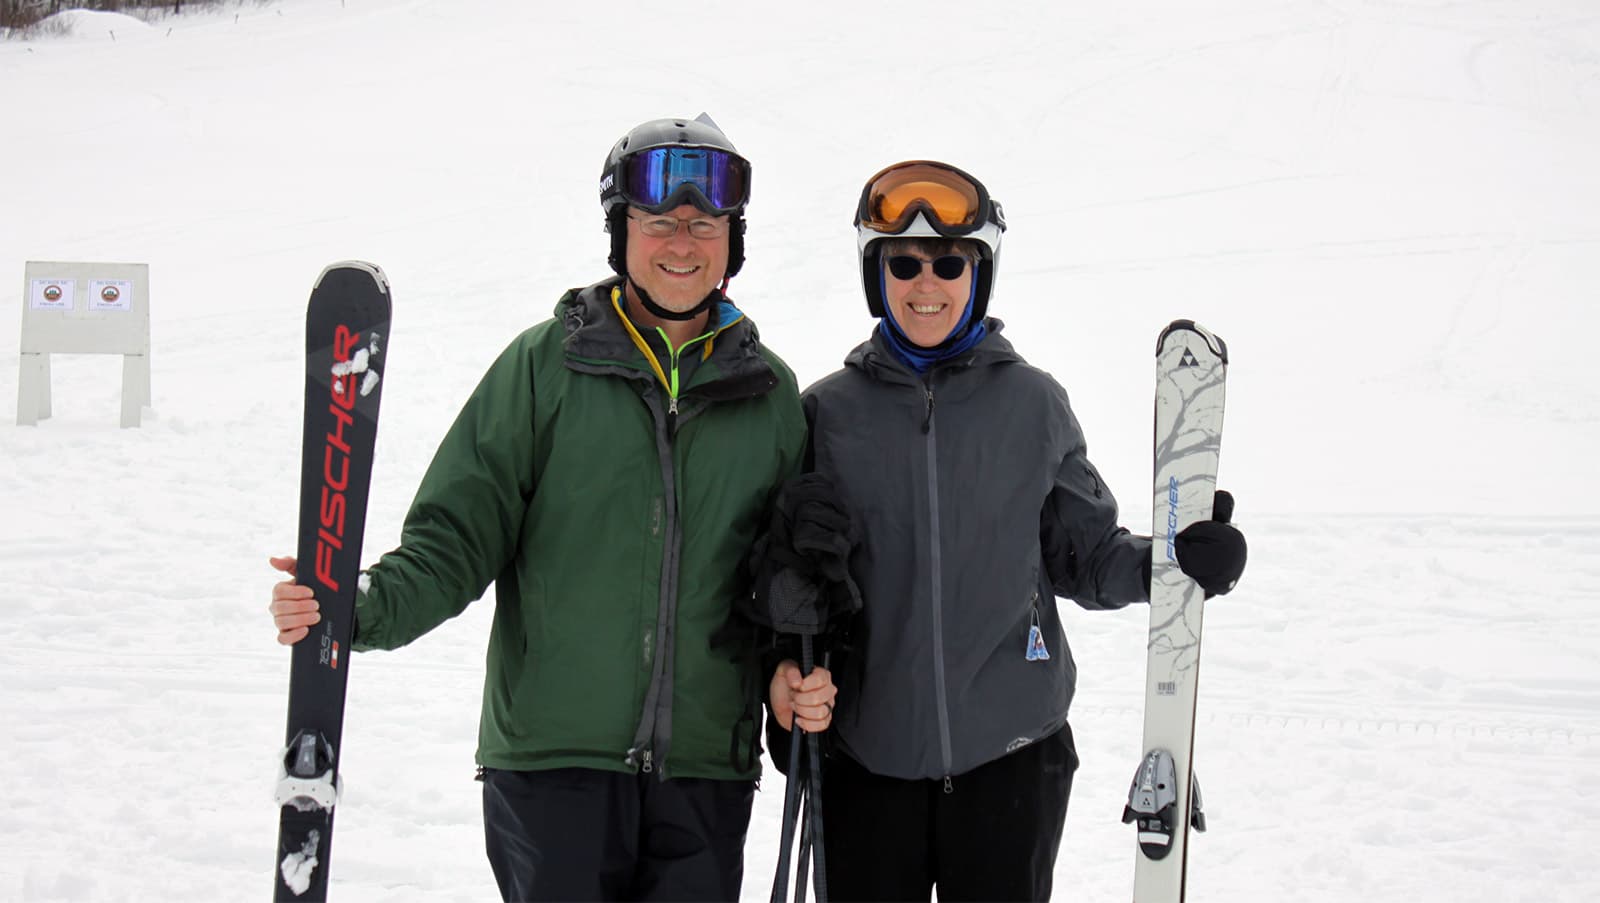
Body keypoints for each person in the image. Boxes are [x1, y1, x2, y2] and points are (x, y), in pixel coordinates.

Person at [267, 114, 837, 903]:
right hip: (552, 768)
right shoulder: (544, 368)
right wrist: (355, 605)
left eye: (705, 222)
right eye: (657, 221)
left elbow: (786, 583)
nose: (682, 240)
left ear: (732, 240)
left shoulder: (772, 397)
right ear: (620, 233)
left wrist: (785, 675)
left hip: (705, 774)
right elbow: (456, 537)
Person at [762, 160, 1248, 901]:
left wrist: (1176, 563)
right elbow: (786, 574)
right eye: (904, 263)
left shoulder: (1033, 404)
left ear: (979, 273)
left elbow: (1086, 557)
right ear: (876, 272)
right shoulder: (825, 413)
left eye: (950, 262)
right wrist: (787, 673)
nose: (927, 284)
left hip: (1010, 760)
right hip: (866, 765)